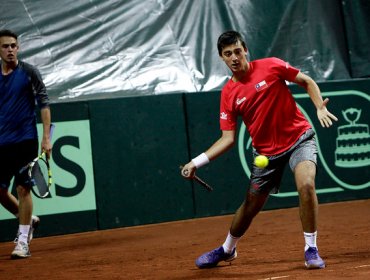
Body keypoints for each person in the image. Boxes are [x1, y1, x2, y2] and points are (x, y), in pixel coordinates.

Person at [181, 30, 338, 270]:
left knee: (306, 184)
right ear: (222, 58)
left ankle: (311, 249)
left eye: (236, 51)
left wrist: (318, 107)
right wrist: (196, 161)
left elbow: (306, 81)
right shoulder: (228, 94)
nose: (233, 57)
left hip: (299, 138)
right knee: (250, 206)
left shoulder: (272, 66)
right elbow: (228, 139)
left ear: (245, 49)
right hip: (266, 154)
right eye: (227, 54)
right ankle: (227, 249)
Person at [0, 29, 52, 258]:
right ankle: (28, 221)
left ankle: (22, 242)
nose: (10, 50)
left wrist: (46, 137)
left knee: (23, 189)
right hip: (2, 142)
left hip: (25, 140)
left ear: (18, 47)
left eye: (13, 45)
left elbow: (44, 103)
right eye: (5, 46)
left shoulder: (29, 72)